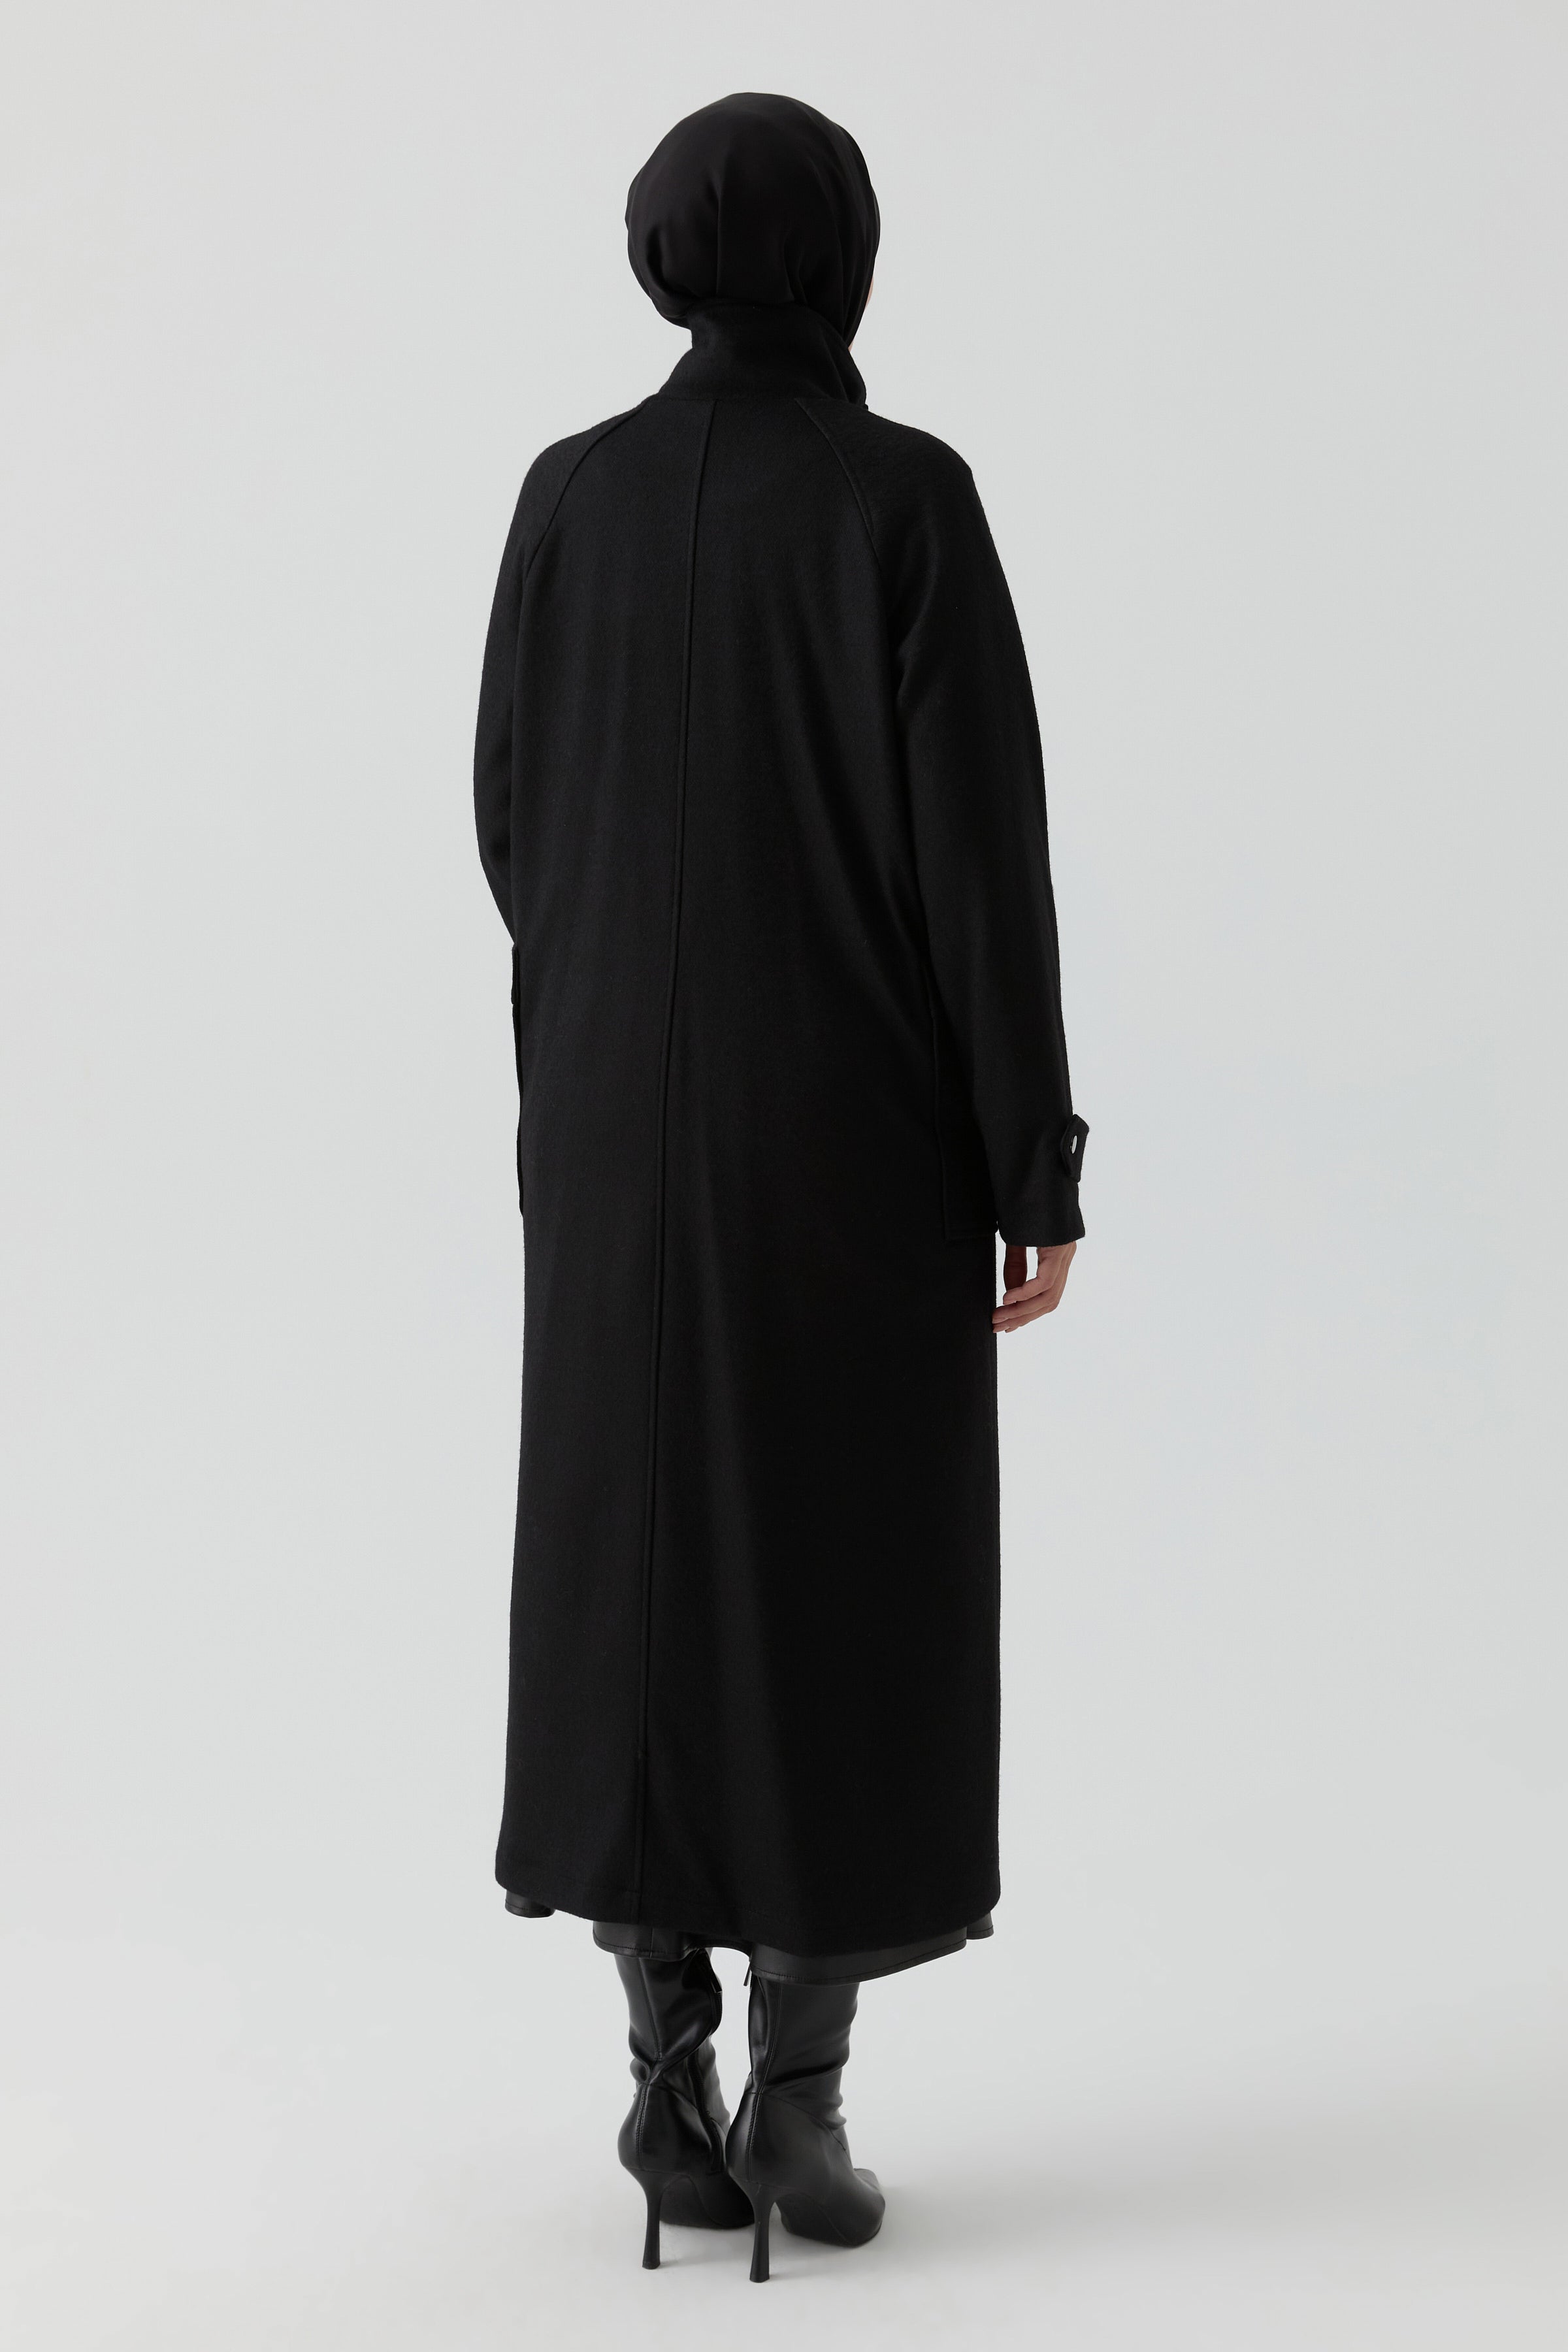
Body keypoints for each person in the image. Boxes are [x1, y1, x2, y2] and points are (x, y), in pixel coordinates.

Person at [473, 91, 1086, 2283]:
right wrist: (1029, 1157)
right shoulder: (902, 498)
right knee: (845, 1563)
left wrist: (594, 1041)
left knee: (628, 1549)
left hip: (609, 1127)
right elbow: (979, 864)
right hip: (851, 1128)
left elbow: (511, 816)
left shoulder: (569, 496)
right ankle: (799, 2100)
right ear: (845, 253)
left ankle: (663, 2078)